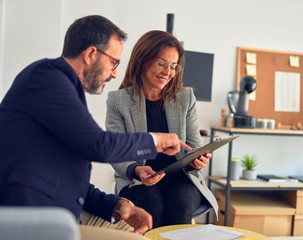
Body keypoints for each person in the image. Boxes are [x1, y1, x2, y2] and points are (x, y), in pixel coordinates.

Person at [0, 15, 191, 236]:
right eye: (113, 62)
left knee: (139, 229)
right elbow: (99, 145)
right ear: (91, 54)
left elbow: (70, 178)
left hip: (61, 210)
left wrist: (117, 205)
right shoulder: (46, 78)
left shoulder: (61, 87)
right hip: (32, 218)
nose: (115, 73)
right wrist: (156, 140)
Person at [106, 30, 218, 228]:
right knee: (152, 206)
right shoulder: (118, 101)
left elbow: (192, 146)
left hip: (180, 178)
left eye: (173, 66)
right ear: (142, 60)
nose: (168, 72)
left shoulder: (185, 98)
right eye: (161, 63)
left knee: (180, 204)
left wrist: (197, 161)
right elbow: (116, 152)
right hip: (138, 180)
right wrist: (137, 170)